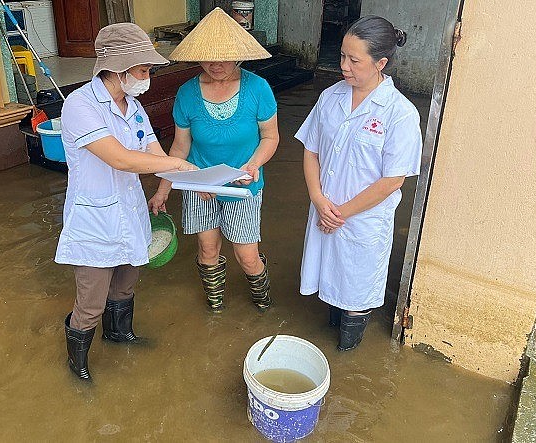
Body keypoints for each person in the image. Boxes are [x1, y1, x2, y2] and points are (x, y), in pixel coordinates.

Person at [55, 23, 196, 380]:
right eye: (143, 69)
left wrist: (197, 180)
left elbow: (153, 152)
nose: (147, 76)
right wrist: (177, 164)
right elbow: (120, 158)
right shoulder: (80, 105)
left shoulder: (133, 106)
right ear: (118, 67)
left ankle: (119, 334)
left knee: (126, 283)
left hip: (131, 211)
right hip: (95, 220)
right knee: (91, 302)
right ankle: (79, 363)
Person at [295, 16, 422, 351]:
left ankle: (346, 353)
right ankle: (334, 336)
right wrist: (318, 199)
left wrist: (340, 212)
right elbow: (311, 149)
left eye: (354, 60)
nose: (344, 67)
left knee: (356, 288)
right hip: (325, 208)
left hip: (362, 220)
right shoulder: (330, 97)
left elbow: (393, 179)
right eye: (342, 57)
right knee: (331, 279)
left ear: (381, 63)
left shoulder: (400, 113)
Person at [148, 8, 279, 312]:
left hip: (243, 185)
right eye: (208, 57)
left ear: (238, 54)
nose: (216, 64)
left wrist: (253, 164)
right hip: (200, 186)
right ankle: (215, 306)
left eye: (224, 57)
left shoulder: (258, 89)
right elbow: (180, 149)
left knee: (247, 254)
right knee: (207, 248)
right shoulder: (187, 94)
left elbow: (270, 138)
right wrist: (162, 191)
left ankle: (263, 302)